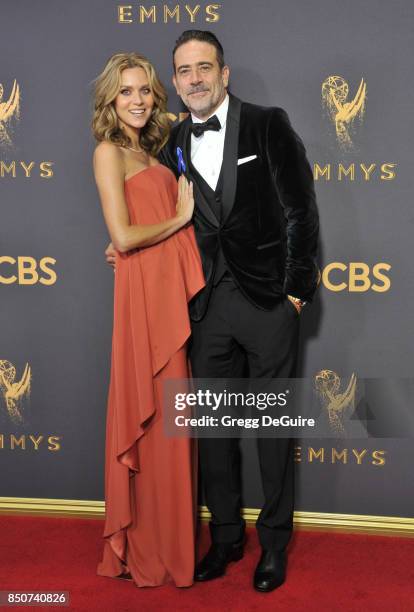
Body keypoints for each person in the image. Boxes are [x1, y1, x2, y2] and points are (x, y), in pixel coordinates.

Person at [106, 30, 320, 593]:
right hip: (201, 307)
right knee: (215, 433)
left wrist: (296, 293)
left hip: (268, 303)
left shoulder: (268, 123)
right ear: (174, 83)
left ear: (224, 73)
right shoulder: (172, 138)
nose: (195, 78)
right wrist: (121, 246)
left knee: (272, 430)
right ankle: (225, 538)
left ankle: (273, 545)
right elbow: (153, 210)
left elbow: (301, 211)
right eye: (184, 70)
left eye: (205, 67)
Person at [93, 52, 205, 588]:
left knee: (173, 425)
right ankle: (142, 546)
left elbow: (205, 115)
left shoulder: (155, 146)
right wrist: (177, 218)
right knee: (150, 418)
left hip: (167, 301)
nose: (136, 100)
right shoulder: (108, 153)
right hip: (140, 304)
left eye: (144, 91)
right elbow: (124, 237)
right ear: (111, 101)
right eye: (126, 92)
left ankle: (172, 546)